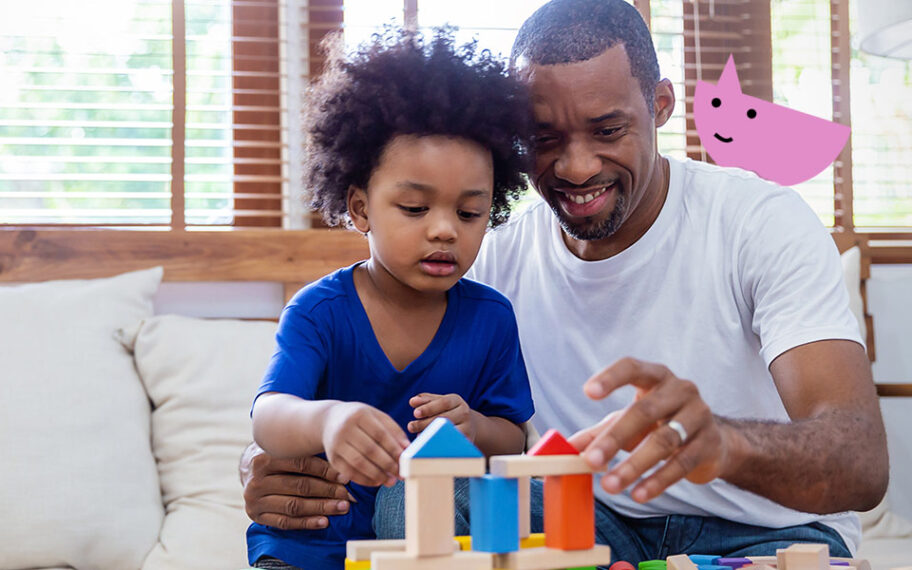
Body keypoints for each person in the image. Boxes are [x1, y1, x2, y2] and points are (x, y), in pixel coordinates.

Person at [241, 0, 889, 562]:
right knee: (420, 491)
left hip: (759, 536)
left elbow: (860, 462)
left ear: (659, 105)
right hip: (583, 527)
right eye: (544, 138)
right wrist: (271, 468)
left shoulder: (758, 223)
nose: (577, 167)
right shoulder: (484, 260)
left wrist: (725, 444)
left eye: (608, 130)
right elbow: (391, 415)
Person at [245, 28, 536, 570]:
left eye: (470, 213)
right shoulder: (319, 311)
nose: (445, 230)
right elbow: (269, 414)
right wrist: (327, 421)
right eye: (415, 208)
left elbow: (514, 438)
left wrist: (474, 427)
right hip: (311, 546)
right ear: (359, 208)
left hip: (429, 548)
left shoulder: (491, 319)